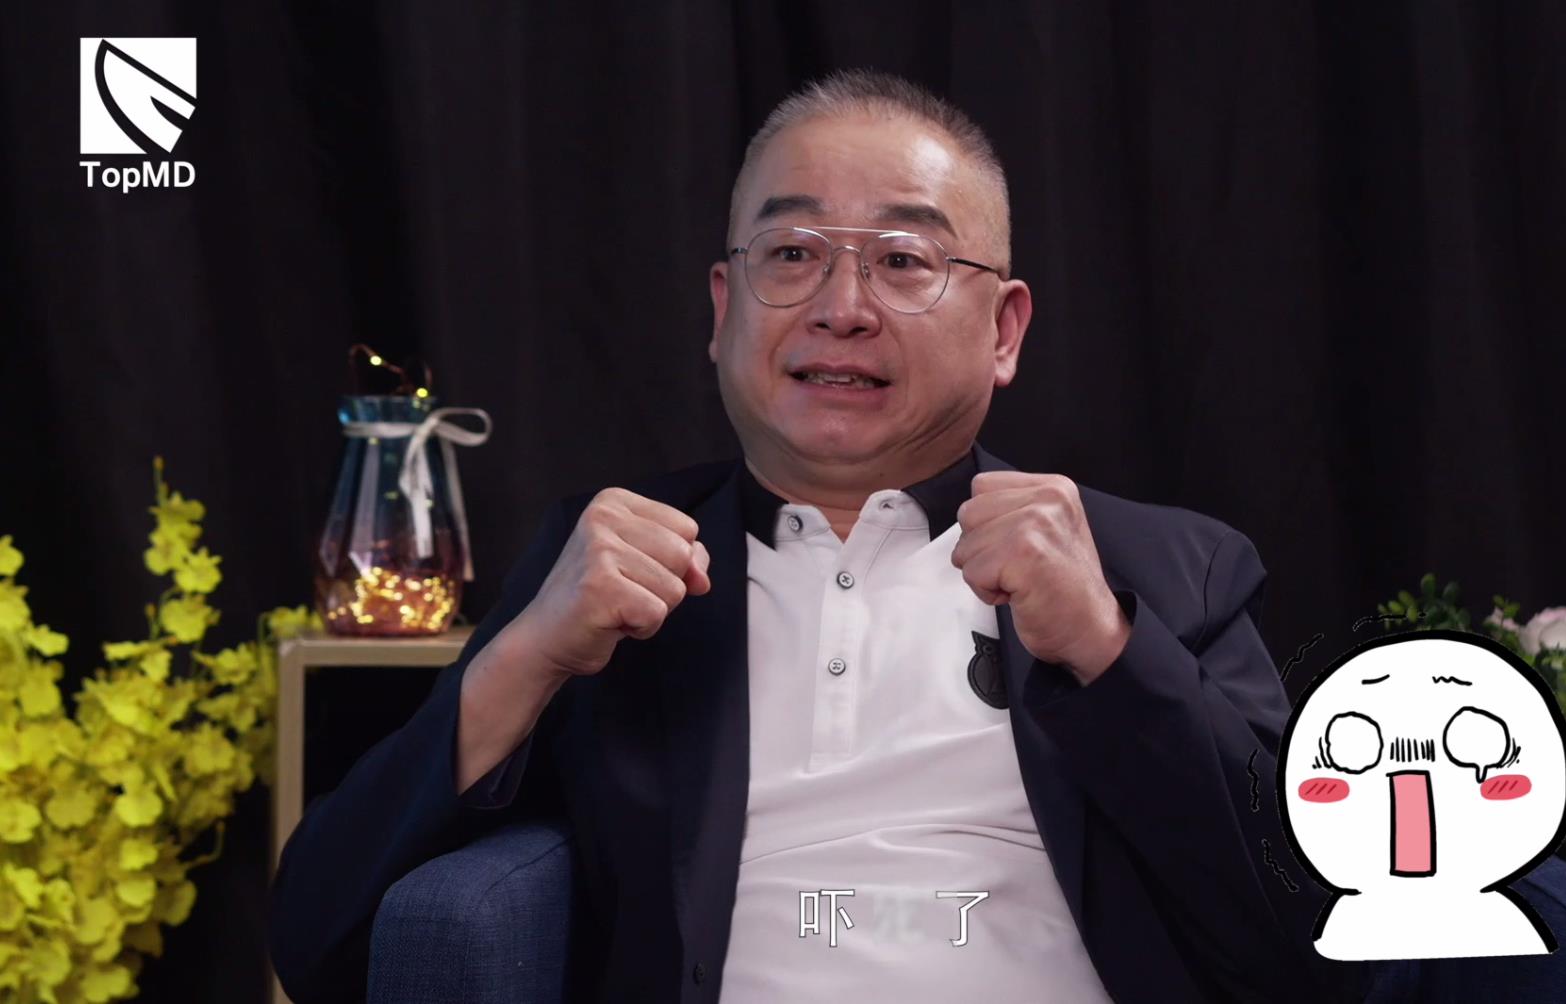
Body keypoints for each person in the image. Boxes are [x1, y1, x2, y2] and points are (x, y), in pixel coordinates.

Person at [269, 69, 1367, 1003]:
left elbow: (1312, 939)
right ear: (723, 310)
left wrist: (1111, 650)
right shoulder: (610, 569)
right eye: (792, 253)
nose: (842, 305)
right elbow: (318, 934)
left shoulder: (1169, 570)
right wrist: (527, 655)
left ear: (1004, 329)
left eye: (905, 259)